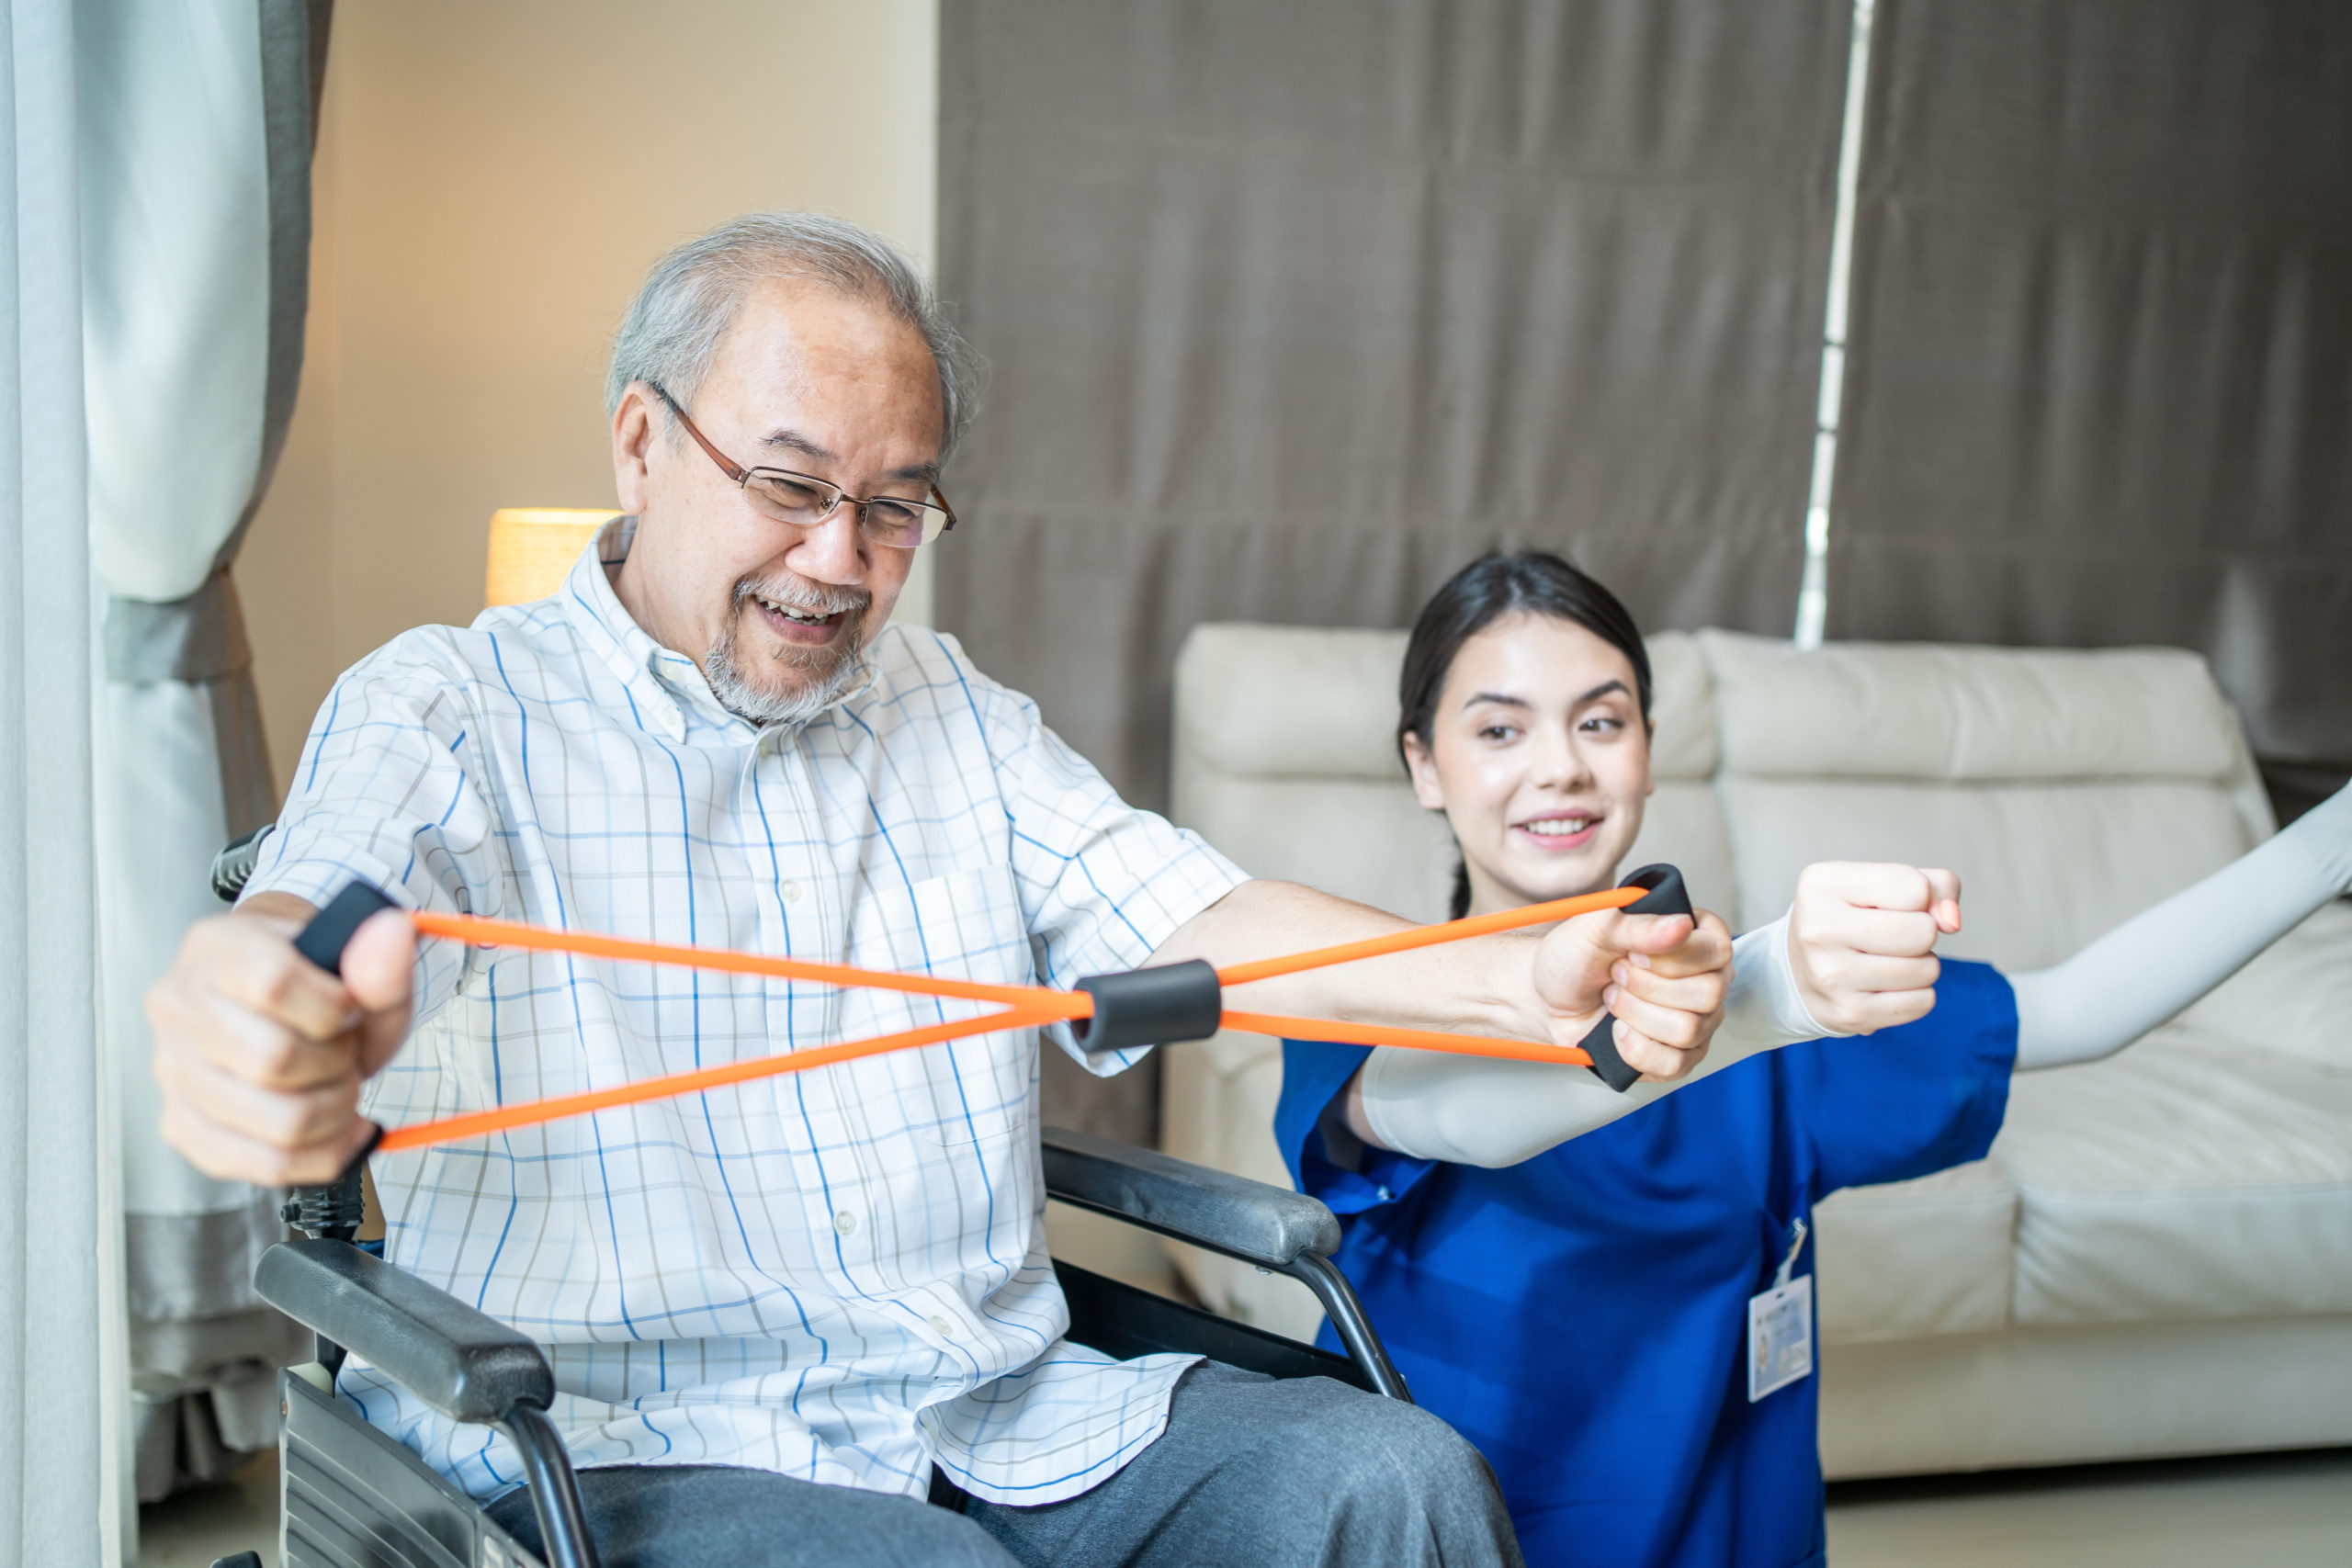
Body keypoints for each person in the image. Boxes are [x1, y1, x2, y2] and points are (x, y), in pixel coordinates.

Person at [139, 215, 1750, 1568]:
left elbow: (1194, 922)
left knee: (1398, 1484)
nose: (840, 559)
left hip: (995, 1409)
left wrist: (1516, 973)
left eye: (895, 505)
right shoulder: (448, 706)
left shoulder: (953, 713)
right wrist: (267, 1009)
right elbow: (315, 924)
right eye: (789, 484)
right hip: (619, 1447)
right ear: (641, 441)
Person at [1273, 550, 2352, 1568]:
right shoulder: (1359, 996)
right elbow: (1454, 1114)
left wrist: (2335, 833)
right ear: (1424, 765)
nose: (1560, 766)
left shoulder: (1779, 1017)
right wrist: (1761, 992)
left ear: (1648, 744)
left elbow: (2078, 1010)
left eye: (1601, 721)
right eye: (1500, 732)